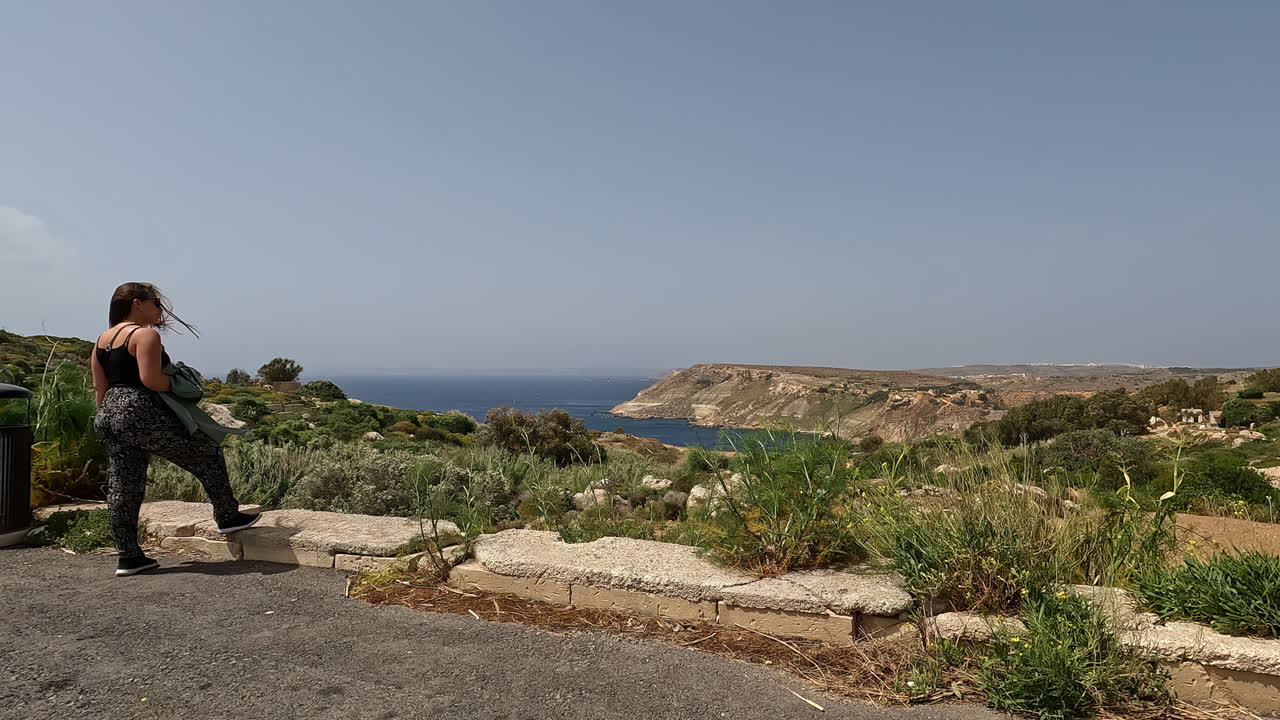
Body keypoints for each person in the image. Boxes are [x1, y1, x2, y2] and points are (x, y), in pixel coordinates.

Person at [90, 283, 259, 576]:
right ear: (137, 303)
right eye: (156, 303)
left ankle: (129, 557)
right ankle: (228, 516)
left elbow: (99, 389)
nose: (160, 310)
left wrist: (111, 415)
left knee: (123, 486)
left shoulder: (101, 341)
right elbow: (151, 380)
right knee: (207, 452)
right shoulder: (144, 335)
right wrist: (181, 385)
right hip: (138, 409)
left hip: (108, 414)